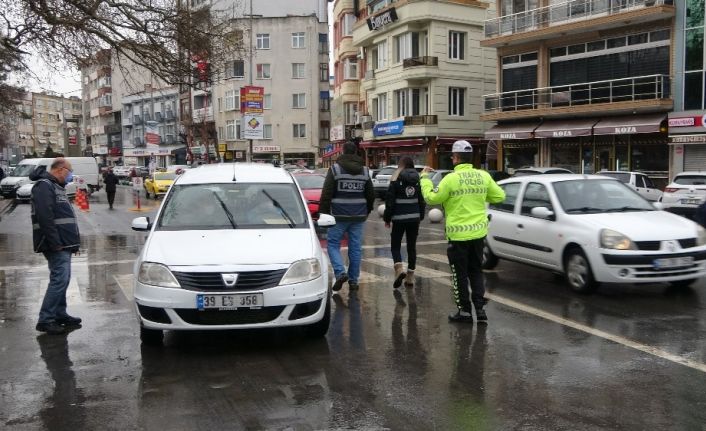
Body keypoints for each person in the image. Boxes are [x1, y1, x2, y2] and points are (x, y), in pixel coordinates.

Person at [420, 141, 505, 323]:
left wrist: (425, 180)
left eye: (452, 156)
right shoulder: (483, 176)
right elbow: (499, 196)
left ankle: (464, 311)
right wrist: (480, 196)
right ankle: (480, 311)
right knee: (476, 271)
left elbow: (432, 198)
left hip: (458, 236)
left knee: (459, 275)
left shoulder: (451, 179)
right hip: (478, 235)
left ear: (456, 158)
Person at [30, 158, 82, 335]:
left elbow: (63, 219)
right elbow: (46, 217)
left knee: (63, 279)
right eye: (70, 171)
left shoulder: (55, 186)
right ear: (60, 169)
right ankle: (46, 319)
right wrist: (56, 243)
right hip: (55, 244)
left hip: (63, 243)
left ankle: (60, 314)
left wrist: (73, 244)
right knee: (59, 280)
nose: (71, 175)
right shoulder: (44, 186)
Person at [319, 141, 375, 292]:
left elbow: (327, 192)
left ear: (343, 152)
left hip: (338, 215)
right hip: (358, 216)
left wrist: (323, 213)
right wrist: (367, 210)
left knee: (332, 244)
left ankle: (340, 272)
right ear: (356, 152)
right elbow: (371, 194)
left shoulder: (335, 169)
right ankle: (354, 281)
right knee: (355, 248)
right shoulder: (364, 170)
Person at [383, 156, 425, 288]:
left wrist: (387, 218)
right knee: (411, 246)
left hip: (399, 218)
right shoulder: (418, 178)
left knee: (395, 245)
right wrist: (421, 216)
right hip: (414, 218)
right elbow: (421, 200)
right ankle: (410, 278)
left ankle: (399, 269)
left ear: (401, 165)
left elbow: (390, 200)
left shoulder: (396, 177)